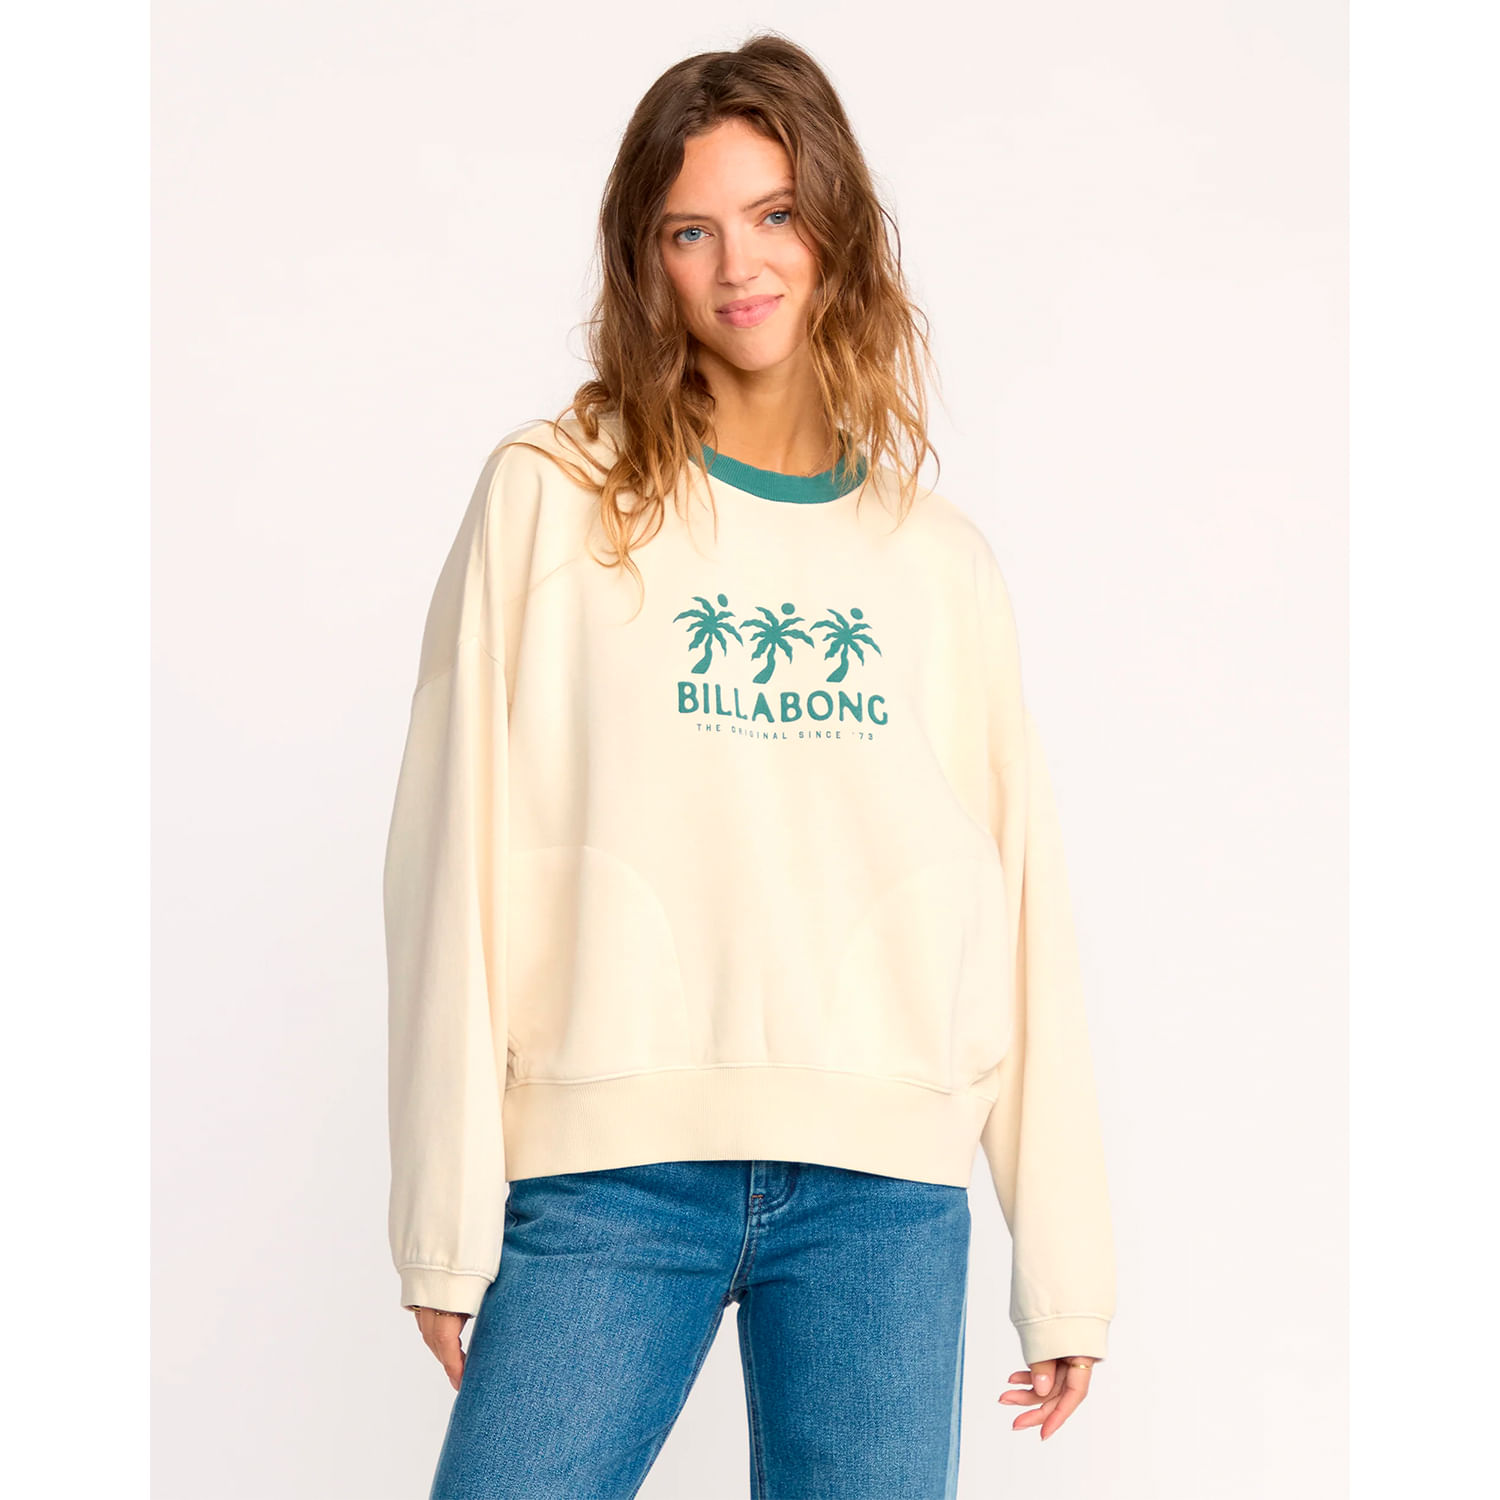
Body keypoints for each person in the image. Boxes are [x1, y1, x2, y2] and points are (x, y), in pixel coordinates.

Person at [382, 31, 1115, 1500]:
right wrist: (444, 1218)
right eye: (690, 230)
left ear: (836, 227)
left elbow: (1020, 899)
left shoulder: (937, 563)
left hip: (880, 1193)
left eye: (775, 213)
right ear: (643, 260)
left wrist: (1068, 1261)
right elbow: (449, 852)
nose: (739, 266)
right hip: (611, 1170)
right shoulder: (553, 499)